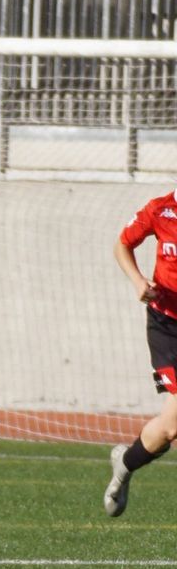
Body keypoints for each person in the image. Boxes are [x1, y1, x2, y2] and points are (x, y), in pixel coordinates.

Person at [103, 191, 177, 516]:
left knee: (169, 427)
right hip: (167, 325)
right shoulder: (161, 209)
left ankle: (125, 462)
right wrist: (137, 282)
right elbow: (123, 244)